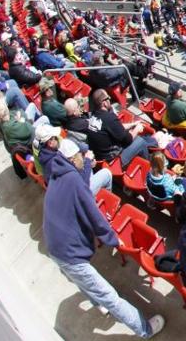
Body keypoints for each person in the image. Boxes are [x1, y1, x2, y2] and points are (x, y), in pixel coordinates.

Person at [44, 131, 165, 337]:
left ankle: (96, 302)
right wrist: (112, 239)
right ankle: (144, 329)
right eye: (82, 155)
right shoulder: (73, 178)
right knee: (109, 295)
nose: (85, 155)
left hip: (54, 246)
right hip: (69, 253)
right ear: (74, 159)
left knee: (81, 282)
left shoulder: (57, 173)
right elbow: (94, 215)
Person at [84, 88, 157, 168]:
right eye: (108, 98)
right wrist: (137, 129)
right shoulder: (109, 117)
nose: (110, 99)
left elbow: (115, 127)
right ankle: (150, 169)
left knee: (140, 139)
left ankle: (152, 146)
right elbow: (128, 140)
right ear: (104, 103)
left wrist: (133, 124)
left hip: (100, 156)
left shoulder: (93, 116)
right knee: (140, 141)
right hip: (113, 162)